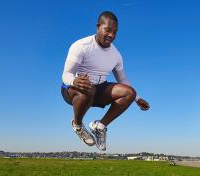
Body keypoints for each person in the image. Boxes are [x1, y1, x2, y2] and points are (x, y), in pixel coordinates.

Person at [61, 11, 150, 150]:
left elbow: (122, 79)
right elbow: (66, 74)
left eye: (115, 32)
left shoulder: (116, 55)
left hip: (98, 90)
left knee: (129, 93)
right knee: (88, 87)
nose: (111, 35)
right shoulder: (81, 46)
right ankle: (77, 125)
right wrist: (74, 81)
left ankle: (100, 126)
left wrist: (137, 99)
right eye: (108, 30)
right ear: (98, 27)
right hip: (75, 89)